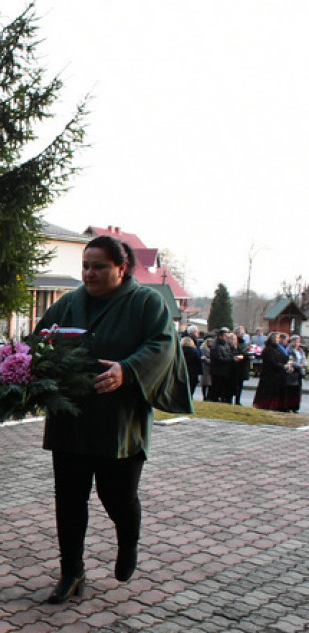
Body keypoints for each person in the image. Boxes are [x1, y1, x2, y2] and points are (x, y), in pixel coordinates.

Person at [36, 235, 192, 604]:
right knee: (69, 499)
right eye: (86, 266)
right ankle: (71, 571)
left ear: (121, 268)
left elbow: (163, 345)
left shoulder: (146, 302)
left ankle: (128, 541)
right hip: (70, 417)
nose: (89, 273)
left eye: (99, 266)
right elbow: (39, 339)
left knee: (117, 496)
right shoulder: (70, 302)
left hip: (119, 420)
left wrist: (128, 369)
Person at [253, 332, 290, 411]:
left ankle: (272, 406)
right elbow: (272, 362)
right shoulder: (269, 349)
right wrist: (282, 366)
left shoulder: (277, 348)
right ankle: (264, 405)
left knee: (274, 392)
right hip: (269, 374)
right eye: (277, 338)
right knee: (267, 391)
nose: (278, 340)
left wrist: (287, 362)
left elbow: (282, 358)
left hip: (276, 374)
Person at [209, 328, 235, 403]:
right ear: (221, 336)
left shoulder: (226, 345)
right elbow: (219, 359)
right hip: (218, 371)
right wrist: (232, 359)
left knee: (223, 388)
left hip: (225, 371)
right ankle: (214, 400)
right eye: (225, 336)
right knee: (216, 388)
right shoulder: (216, 346)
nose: (227, 338)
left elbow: (229, 354)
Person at [284, 335, 306, 412]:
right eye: (295, 342)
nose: (297, 343)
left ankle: (295, 406)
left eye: (298, 342)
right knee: (291, 390)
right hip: (292, 372)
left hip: (299, 372)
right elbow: (290, 361)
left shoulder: (300, 350)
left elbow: (303, 359)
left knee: (297, 391)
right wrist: (298, 365)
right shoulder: (289, 350)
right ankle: (289, 406)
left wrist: (303, 364)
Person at [230, 331, 250, 406]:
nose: (233, 341)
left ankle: (237, 400)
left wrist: (245, 355)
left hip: (240, 369)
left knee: (239, 386)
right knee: (232, 386)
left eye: (234, 339)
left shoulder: (241, 345)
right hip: (232, 369)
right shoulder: (230, 347)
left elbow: (243, 354)